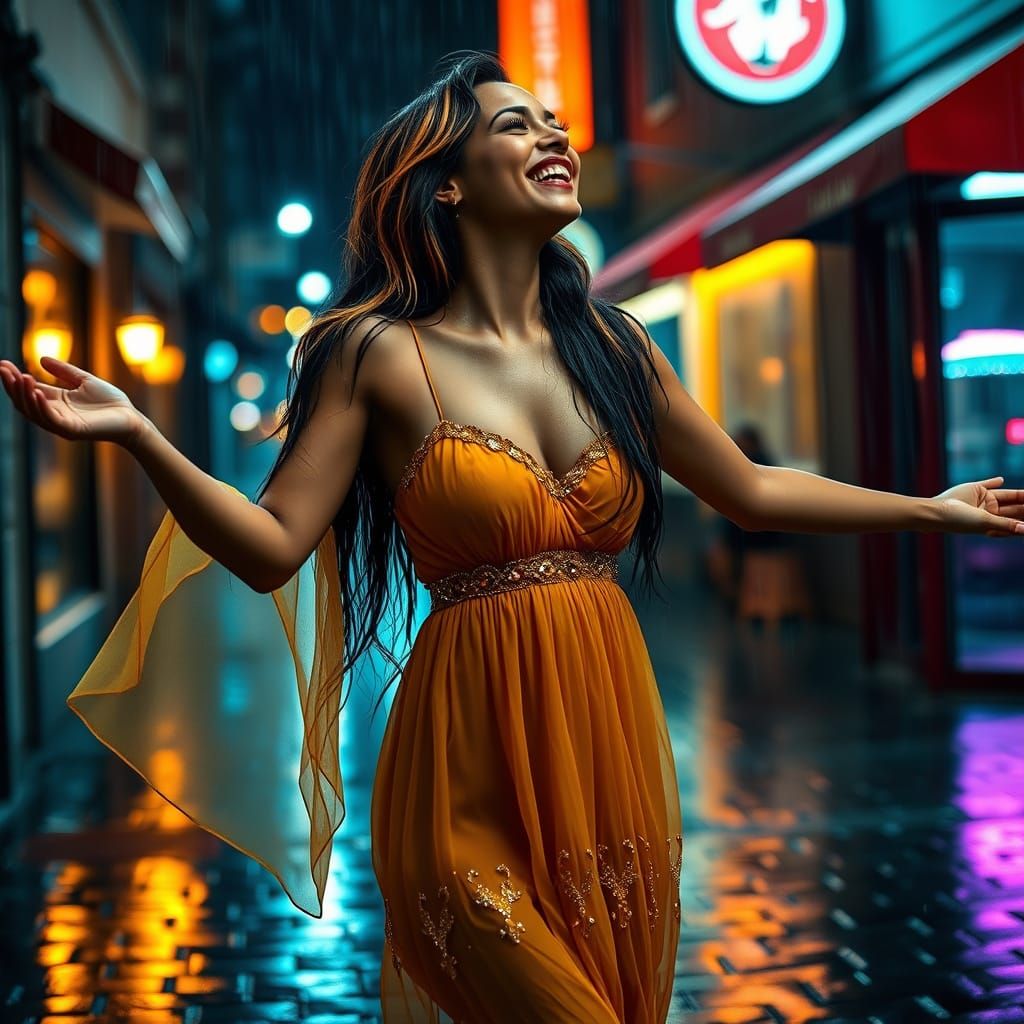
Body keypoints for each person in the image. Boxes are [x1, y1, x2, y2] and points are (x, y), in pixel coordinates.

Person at [3, 49, 1024, 1024]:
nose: (556, 134)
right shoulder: (374, 353)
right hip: (462, 772)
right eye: (516, 124)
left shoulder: (615, 346)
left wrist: (928, 508)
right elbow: (273, 544)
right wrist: (138, 434)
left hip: (607, 756)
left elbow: (750, 488)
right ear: (445, 183)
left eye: (555, 121)